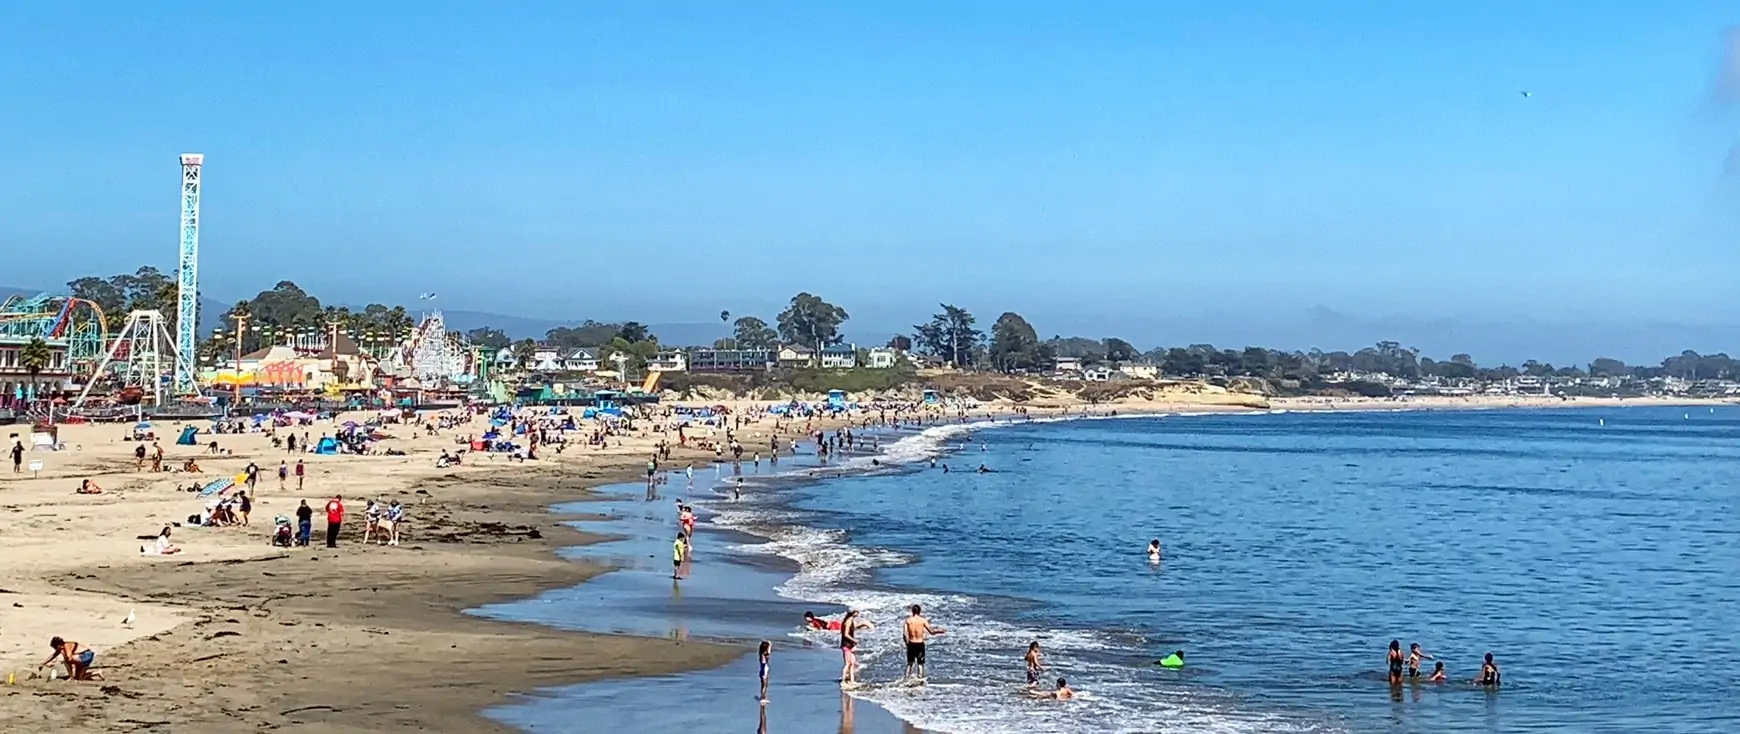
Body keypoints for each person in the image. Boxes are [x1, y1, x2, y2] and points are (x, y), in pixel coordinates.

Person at [902, 604, 945, 682]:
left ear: (912, 611)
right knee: (920, 664)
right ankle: (920, 679)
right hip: (920, 644)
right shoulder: (923, 620)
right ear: (919, 611)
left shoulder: (908, 621)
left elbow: (905, 634)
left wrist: (907, 643)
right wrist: (940, 631)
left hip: (911, 643)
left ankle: (906, 679)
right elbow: (931, 632)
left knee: (910, 663)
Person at [840, 610, 872, 687]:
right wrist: (854, 640)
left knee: (852, 663)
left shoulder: (851, 621)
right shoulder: (848, 621)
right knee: (848, 663)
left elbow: (854, 627)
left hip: (851, 645)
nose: (858, 614)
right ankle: (843, 681)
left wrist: (864, 625)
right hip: (846, 645)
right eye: (857, 612)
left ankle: (852, 681)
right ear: (853, 613)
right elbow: (846, 634)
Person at [757, 640, 772, 704]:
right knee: (764, 685)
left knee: (764, 685)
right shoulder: (763, 655)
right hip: (763, 672)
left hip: (763, 671)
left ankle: (763, 696)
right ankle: (763, 697)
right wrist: (770, 646)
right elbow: (768, 653)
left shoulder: (761, 654)